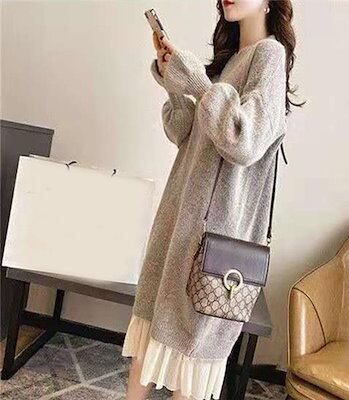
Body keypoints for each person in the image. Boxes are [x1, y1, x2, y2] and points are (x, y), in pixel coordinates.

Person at [122, 1, 302, 399]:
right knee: (149, 339)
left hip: (212, 239)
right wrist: (175, 83)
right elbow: (183, 131)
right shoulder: (229, 62)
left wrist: (198, 82)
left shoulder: (270, 55)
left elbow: (244, 139)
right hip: (178, 222)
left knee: (191, 355)